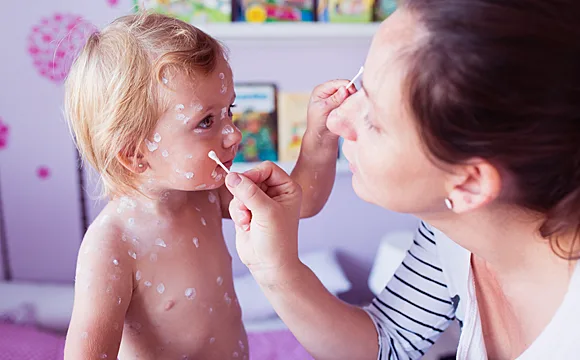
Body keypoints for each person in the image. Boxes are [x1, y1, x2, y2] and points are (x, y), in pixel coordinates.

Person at [224, 1, 580, 359]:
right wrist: (274, 268)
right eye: (359, 86)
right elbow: (387, 343)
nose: (334, 122)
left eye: (374, 120)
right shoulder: (451, 230)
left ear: (470, 184)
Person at [62, 12, 353, 360]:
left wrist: (320, 133)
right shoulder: (112, 246)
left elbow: (302, 202)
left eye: (229, 110)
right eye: (206, 121)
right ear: (135, 154)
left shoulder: (206, 196)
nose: (234, 134)